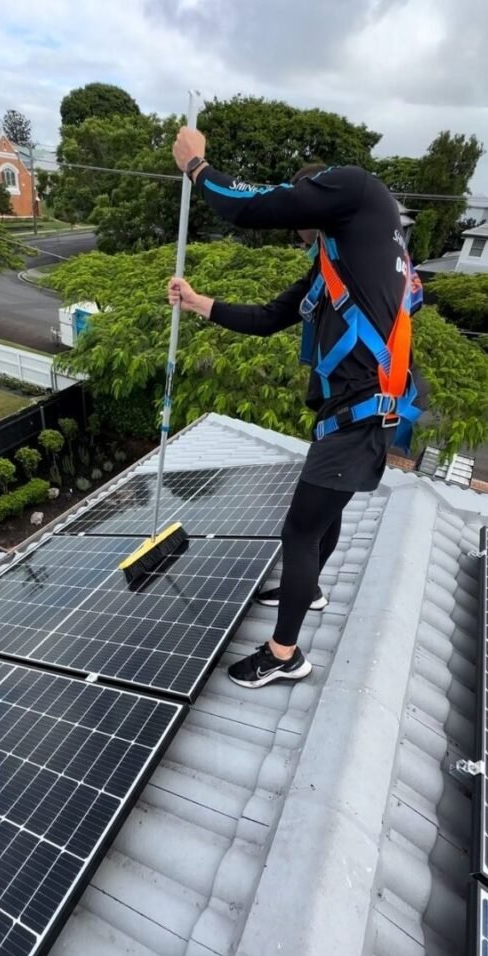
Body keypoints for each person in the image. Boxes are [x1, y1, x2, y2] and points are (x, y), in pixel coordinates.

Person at [169, 127, 423, 690]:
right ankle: (306, 590)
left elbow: (254, 206)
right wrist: (196, 303)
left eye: (304, 220)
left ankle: (284, 655)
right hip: (353, 415)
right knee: (320, 519)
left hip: (360, 416)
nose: (299, 233)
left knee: (300, 529)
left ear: (319, 199)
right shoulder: (338, 267)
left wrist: (197, 168)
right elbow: (267, 317)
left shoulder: (355, 188)